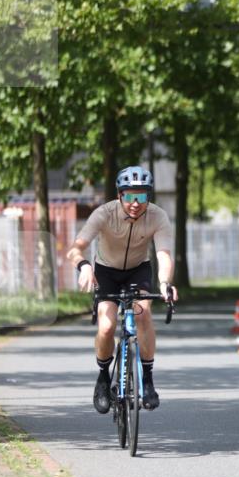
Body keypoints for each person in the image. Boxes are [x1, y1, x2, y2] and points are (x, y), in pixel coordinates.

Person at [66, 165, 177, 414]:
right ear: (119, 195)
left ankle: (147, 379)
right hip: (105, 271)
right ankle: (104, 377)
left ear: (148, 197)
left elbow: (164, 254)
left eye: (141, 196)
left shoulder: (158, 216)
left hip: (138, 270)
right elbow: (75, 248)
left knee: (143, 314)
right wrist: (83, 266)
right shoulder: (104, 214)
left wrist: (164, 283)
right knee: (106, 326)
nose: (135, 203)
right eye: (129, 196)